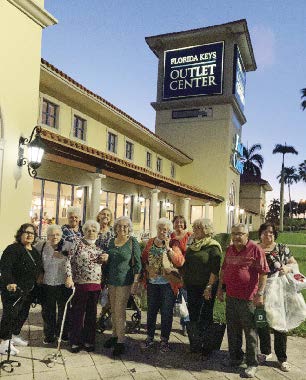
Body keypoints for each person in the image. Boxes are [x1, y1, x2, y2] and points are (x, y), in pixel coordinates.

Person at [217, 223, 269, 379]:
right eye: (234, 233)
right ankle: (235, 357)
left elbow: (264, 273)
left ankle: (252, 363)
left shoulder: (255, 249)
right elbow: (224, 269)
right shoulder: (230, 249)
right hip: (231, 297)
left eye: (240, 234)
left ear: (247, 235)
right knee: (232, 329)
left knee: (250, 331)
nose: (236, 237)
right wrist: (221, 289)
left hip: (248, 299)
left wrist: (260, 293)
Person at [257, 222, 297, 372]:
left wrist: (287, 267)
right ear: (260, 233)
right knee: (261, 322)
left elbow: (293, 264)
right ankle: (265, 352)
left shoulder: (281, 248)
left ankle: (282, 358)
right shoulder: (255, 248)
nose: (269, 235)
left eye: (272, 233)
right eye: (266, 232)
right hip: (259, 291)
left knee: (280, 323)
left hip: (277, 292)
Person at [141, 217, 185, 353]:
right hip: (153, 283)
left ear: (169, 231)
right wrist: (148, 269)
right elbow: (144, 259)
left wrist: (168, 248)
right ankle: (149, 338)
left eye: (165, 230)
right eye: (160, 229)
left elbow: (180, 262)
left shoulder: (173, 244)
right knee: (151, 311)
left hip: (167, 285)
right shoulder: (150, 242)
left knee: (166, 313)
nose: (162, 232)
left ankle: (164, 340)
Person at [65, 220, 108, 353]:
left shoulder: (99, 247)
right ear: (84, 231)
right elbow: (68, 260)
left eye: (94, 230)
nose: (91, 232)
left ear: (97, 232)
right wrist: (69, 276)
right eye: (88, 230)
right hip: (80, 283)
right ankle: (75, 341)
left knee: (91, 314)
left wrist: (107, 258)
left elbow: (104, 264)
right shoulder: (77, 243)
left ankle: (89, 341)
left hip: (95, 285)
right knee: (77, 313)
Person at [0, 224, 43, 355]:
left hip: (28, 290)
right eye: (26, 232)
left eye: (32, 233)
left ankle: (13, 336)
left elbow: (38, 267)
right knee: (10, 314)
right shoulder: (13, 248)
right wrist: (10, 282)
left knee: (22, 314)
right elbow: (5, 267)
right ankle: (3, 343)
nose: (29, 235)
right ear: (20, 234)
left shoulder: (34, 251)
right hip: (14, 290)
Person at [103, 216, 141, 356]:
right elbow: (108, 259)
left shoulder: (132, 242)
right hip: (111, 280)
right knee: (113, 309)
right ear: (116, 228)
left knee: (120, 310)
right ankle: (114, 335)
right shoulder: (112, 242)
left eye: (125, 226)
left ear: (129, 228)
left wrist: (135, 283)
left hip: (125, 281)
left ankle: (121, 341)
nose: (122, 228)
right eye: (119, 226)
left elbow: (138, 264)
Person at [182, 218, 222, 354]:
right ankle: (196, 343)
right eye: (194, 228)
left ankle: (207, 346)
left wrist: (209, 287)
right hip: (192, 286)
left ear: (206, 230)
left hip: (206, 287)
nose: (194, 230)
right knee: (193, 315)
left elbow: (215, 270)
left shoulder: (213, 246)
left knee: (205, 315)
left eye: (198, 228)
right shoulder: (193, 244)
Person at [35, 224, 72, 344]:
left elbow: (74, 261)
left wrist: (69, 277)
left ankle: (63, 333)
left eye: (57, 234)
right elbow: (32, 254)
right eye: (51, 235)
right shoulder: (42, 245)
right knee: (48, 311)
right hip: (47, 283)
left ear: (61, 235)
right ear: (47, 236)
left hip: (63, 283)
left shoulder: (68, 245)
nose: (54, 237)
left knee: (64, 310)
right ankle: (49, 335)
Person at [170, 215, 192, 335]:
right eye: (177, 222)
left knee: (184, 297)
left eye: (181, 222)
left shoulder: (189, 235)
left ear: (184, 224)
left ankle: (185, 324)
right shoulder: (171, 236)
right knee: (174, 297)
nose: (179, 224)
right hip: (173, 270)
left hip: (186, 270)